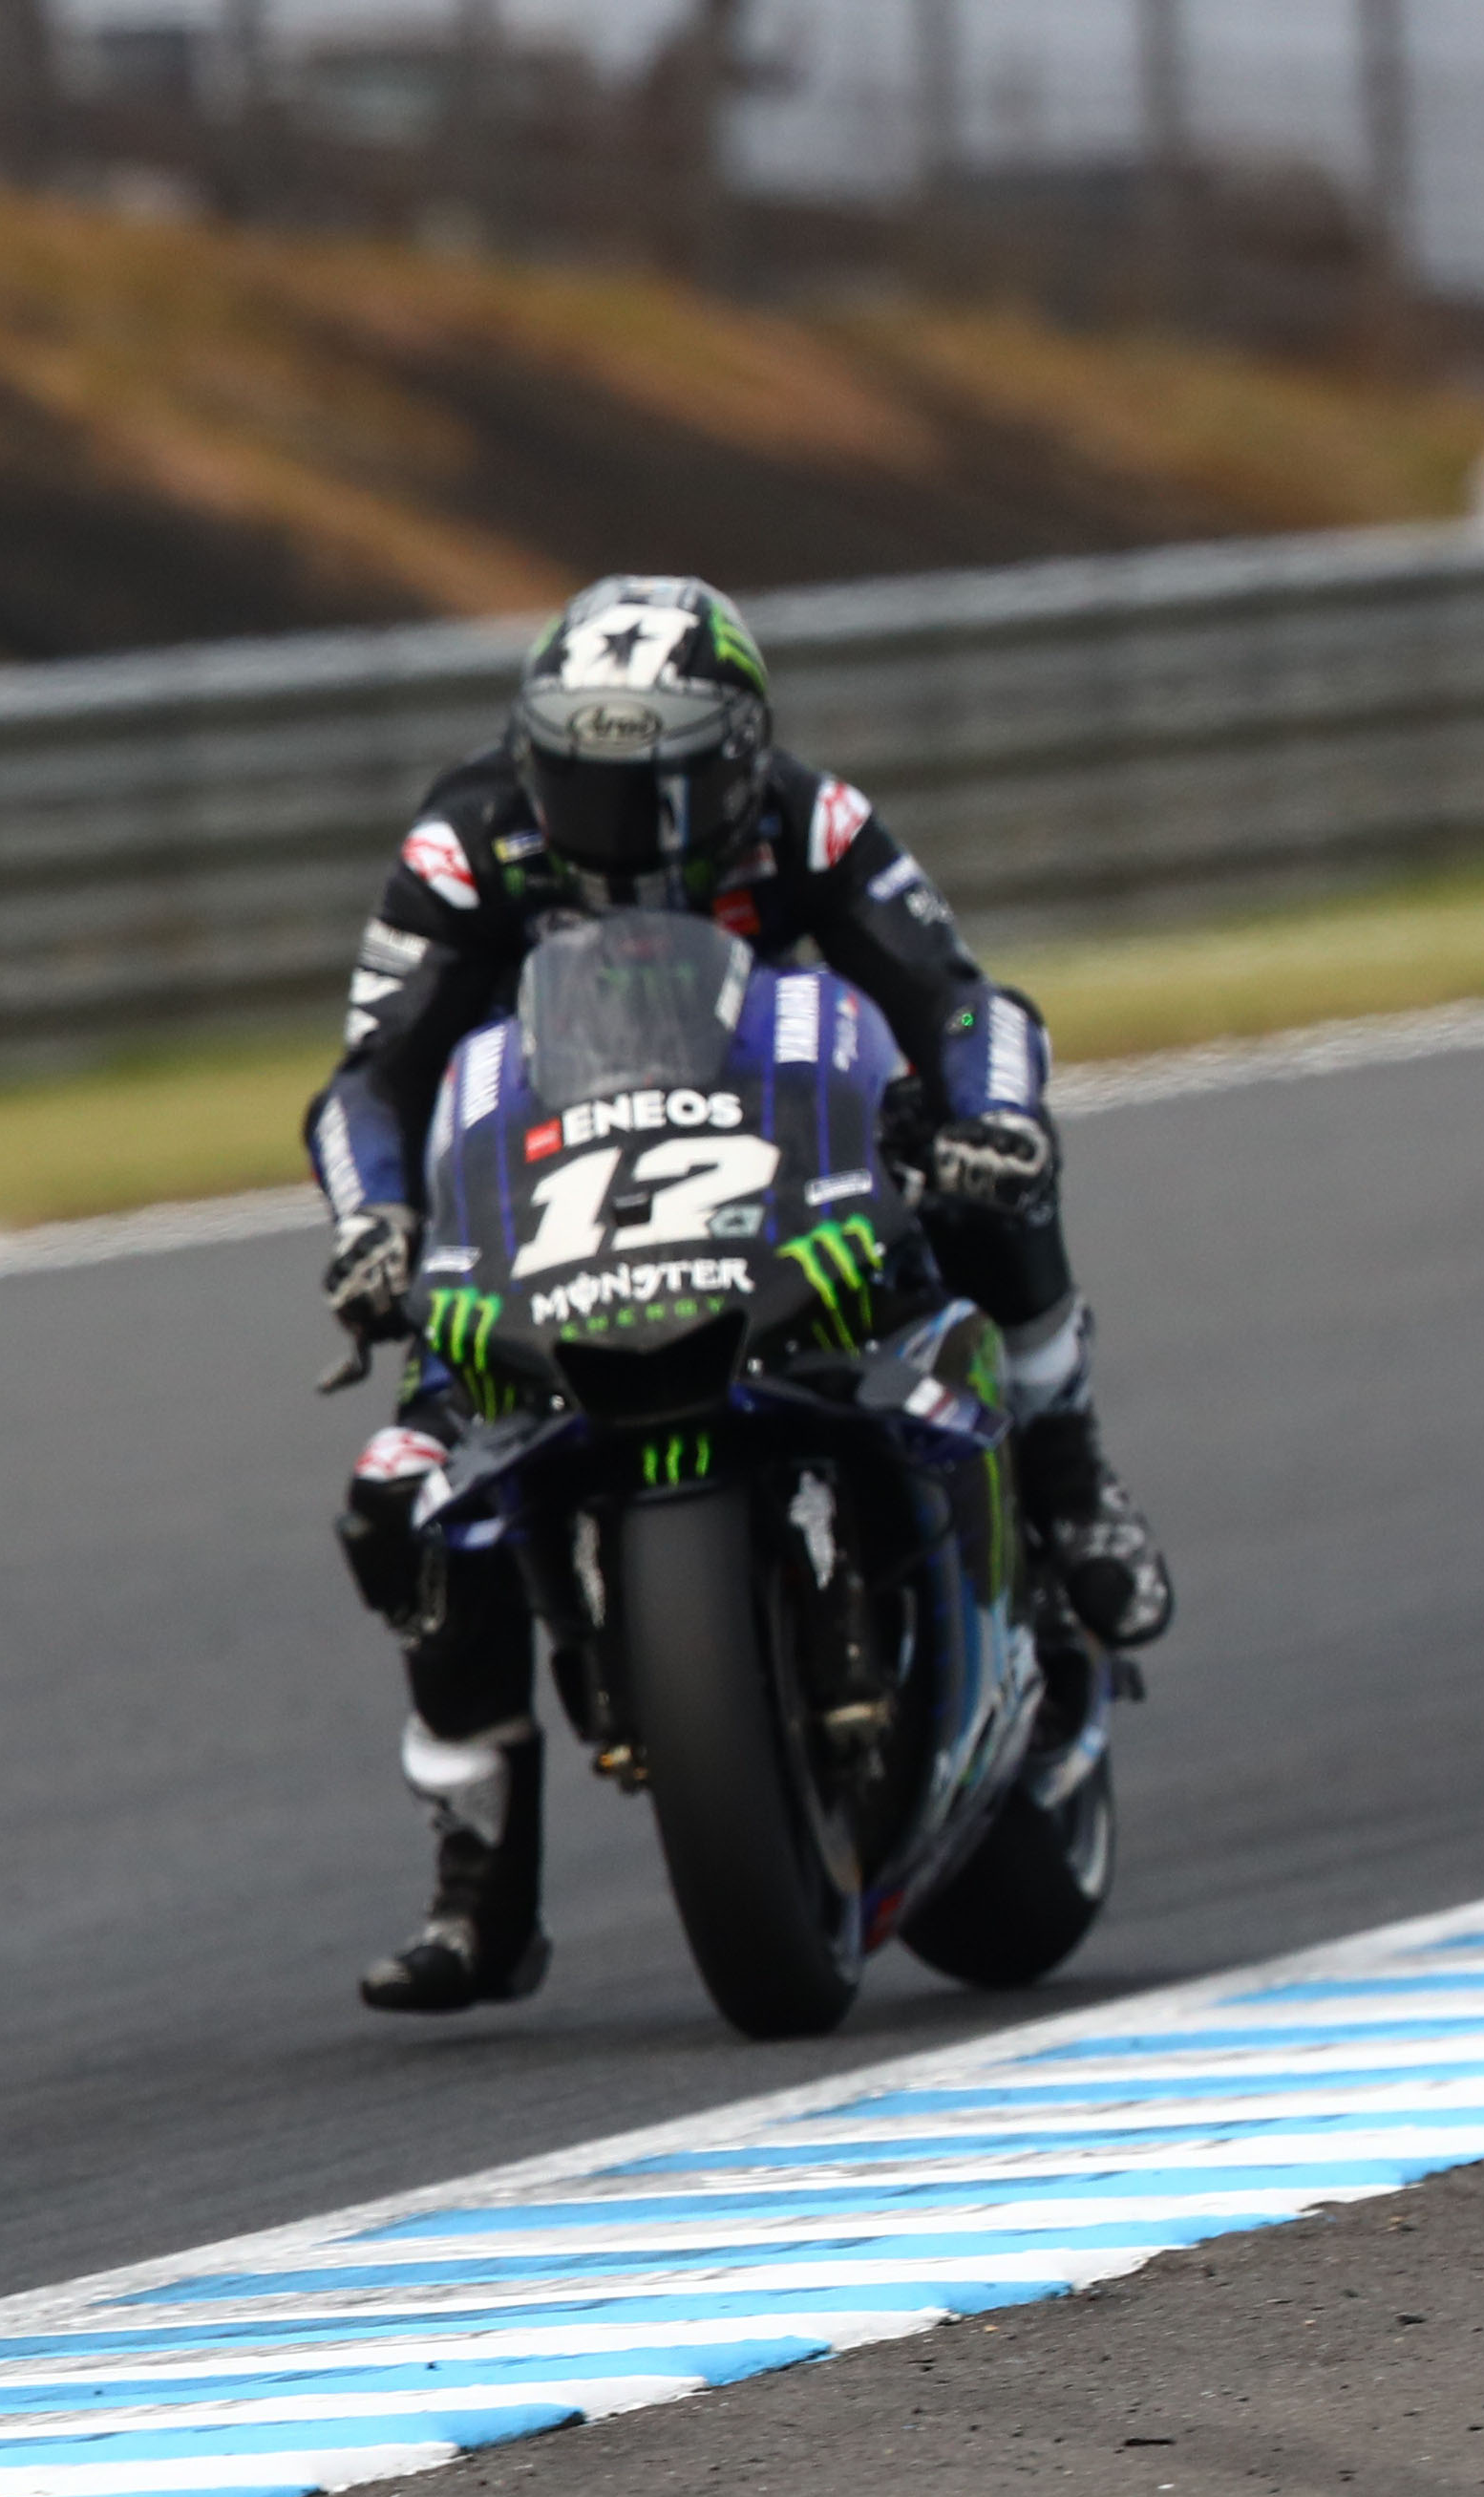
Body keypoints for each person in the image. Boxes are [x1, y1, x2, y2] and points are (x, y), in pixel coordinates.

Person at [306, 575, 1173, 2017]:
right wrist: (372, 1224)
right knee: (402, 1487)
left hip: (778, 1166)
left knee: (995, 1196)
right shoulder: (462, 848)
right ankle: (479, 1888)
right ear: (530, 754)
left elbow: (958, 998)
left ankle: (1069, 1478)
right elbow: (370, 1078)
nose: (623, 820)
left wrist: (987, 1115)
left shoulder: (811, 819)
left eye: (661, 782)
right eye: (586, 779)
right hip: (550, 1215)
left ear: (738, 754)